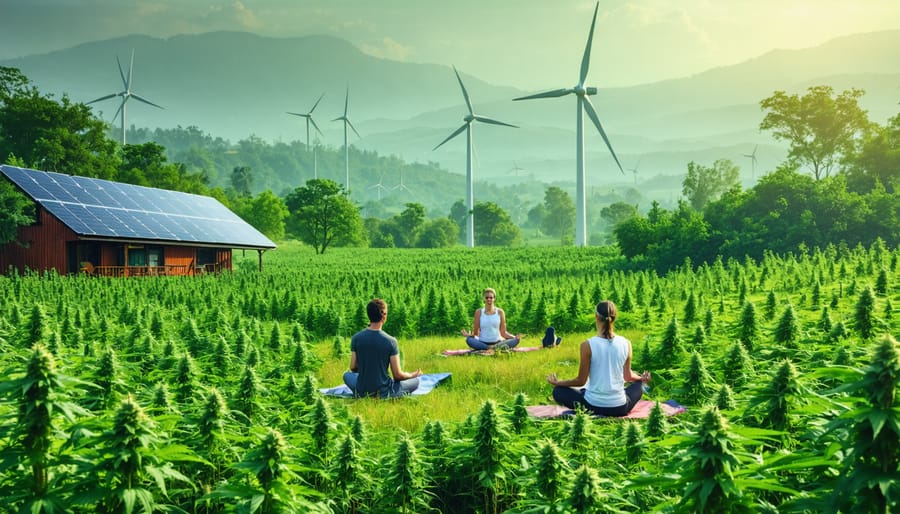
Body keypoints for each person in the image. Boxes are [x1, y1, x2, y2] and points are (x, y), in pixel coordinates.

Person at [546, 300, 651, 416]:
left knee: (558, 391)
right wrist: (641, 378)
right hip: (620, 408)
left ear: (596, 316)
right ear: (614, 317)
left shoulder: (587, 345)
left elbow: (581, 381)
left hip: (592, 406)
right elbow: (628, 376)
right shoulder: (626, 343)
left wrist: (558, 382)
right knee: (639, 385)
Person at [343, 298, 423, 398]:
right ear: (384, 316)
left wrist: (367, 369)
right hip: (384, 392)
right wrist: (412, 375)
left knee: (346, 375)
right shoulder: (391, 341)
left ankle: (364, 390)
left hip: (362, 390)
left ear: (369, 315)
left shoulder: (356, 338)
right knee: (416, 382)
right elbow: (397, 375)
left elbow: (353, 367)